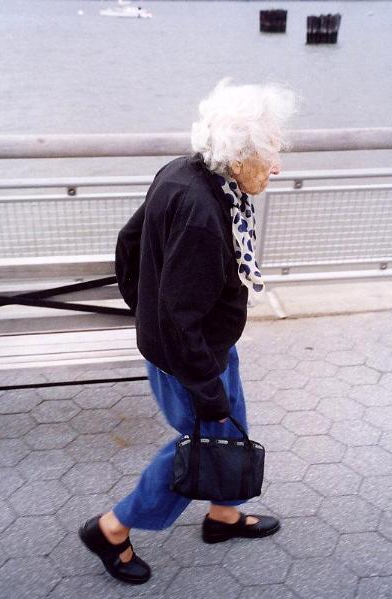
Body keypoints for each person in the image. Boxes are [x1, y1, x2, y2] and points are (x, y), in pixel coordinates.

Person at [79, 79, 297, 585]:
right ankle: (112, 529)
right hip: (188, 356)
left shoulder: (184, 171)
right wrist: (202, 386)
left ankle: (222, 515)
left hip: (207, 344)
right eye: (269, 157)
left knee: (231, 421)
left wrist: (144, 306)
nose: (278, 167)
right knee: (204, 438)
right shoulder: (202, 214)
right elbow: (180, 321)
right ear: (238, 157)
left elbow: (128, 242)